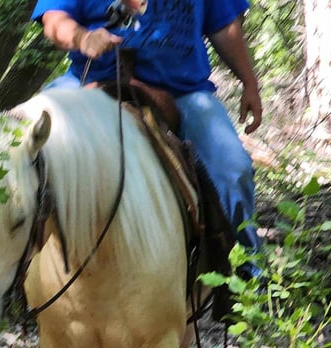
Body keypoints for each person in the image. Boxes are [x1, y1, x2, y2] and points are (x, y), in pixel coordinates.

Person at [31, 0, 263, 278]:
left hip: (182, 91)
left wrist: (249, 82)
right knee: (22, 140)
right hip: (89, 80)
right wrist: (83, 37)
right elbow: (54, 19)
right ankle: (16, 272)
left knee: (233, 169)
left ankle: (247, 278)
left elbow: (224, 26)